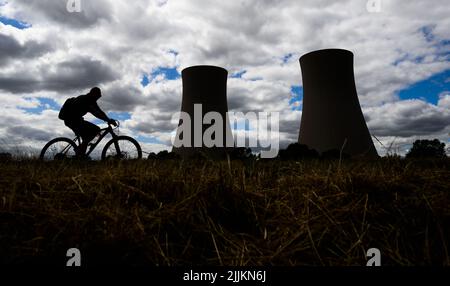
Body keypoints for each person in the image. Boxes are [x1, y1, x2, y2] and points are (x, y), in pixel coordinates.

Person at [58, 87, 117, 155]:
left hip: (73, 121)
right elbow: (96, 113)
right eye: (97, 96)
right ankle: (80, 152)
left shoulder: (90, 100)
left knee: (86, 137)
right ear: (93, 94)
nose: (97, 98)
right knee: (96, 129)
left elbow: (99, 111)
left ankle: (81, 155)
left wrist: (108, 119)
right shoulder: (86, 100)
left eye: (99, 97)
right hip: (73, 121)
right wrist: (108, 120)